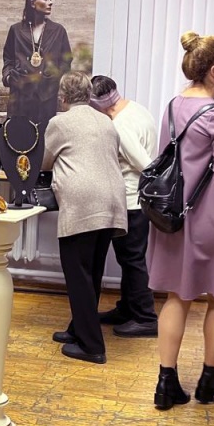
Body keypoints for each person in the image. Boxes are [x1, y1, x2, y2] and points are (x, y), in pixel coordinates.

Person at [148, 31, 214, 410]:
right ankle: (210, 380)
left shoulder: (174, 105)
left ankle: (166, 383)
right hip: (207, 216)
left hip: (172, 215)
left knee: (177, 296)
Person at [43, 71, 127, 364]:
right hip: (112, 202)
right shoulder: (105, 121)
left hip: (83, 204)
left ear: (63, 97)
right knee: (92, 272)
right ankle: (78, 329)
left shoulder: (60, 123)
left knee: (78, 275)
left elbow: (45, 161)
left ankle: (92, 346)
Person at [89, 74, 160, 337]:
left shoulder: (120, 125)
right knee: (129, 259)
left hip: (131, 201)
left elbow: (145, 165)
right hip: (136, 200)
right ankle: (127, 309)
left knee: (132, 261)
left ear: (97, 104)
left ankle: (145, 317)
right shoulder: (137, 109)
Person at [1, 0, 72, 128]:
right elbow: (8, 58)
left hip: (46, 96)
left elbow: (66, 61)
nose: (50, 2)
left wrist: (54, 79)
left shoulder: (58, 30)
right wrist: (9, 77)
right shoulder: (16, 30)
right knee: (18, 135)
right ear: (32, 3)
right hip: (20, 95)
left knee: (44, 136)